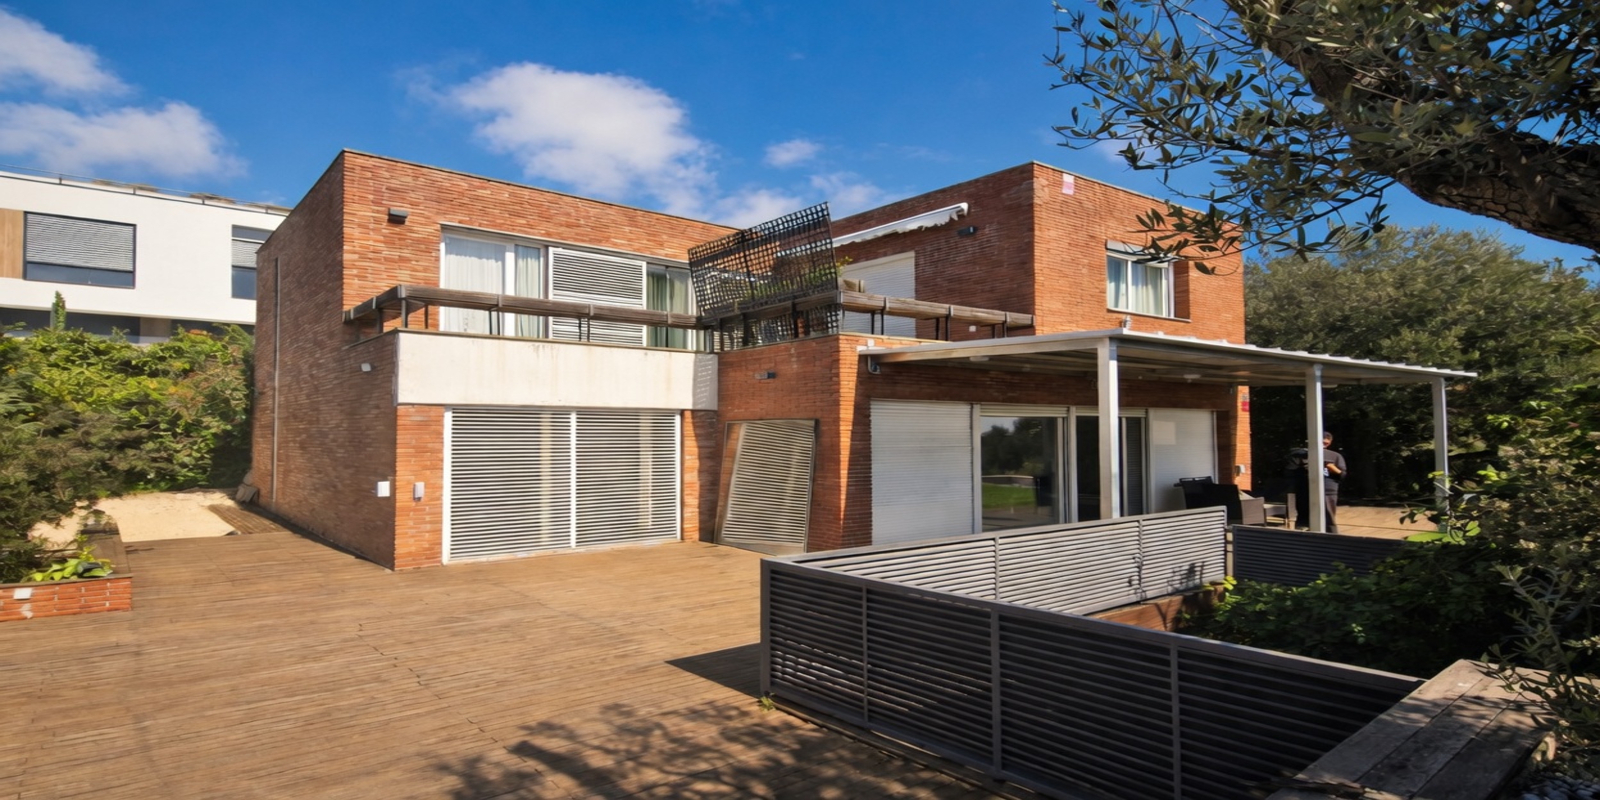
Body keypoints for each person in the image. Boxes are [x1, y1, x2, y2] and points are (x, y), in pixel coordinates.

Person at [1286, 432, 1347, 532]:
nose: (1323, 445)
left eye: (1326, 443)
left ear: (1330, 443)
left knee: (1328, 518)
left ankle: (1331, 538)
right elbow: (1290, 472)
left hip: (1328, 492)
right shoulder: (1299, 455)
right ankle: (1302, 538)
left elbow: (1342, 475)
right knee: (1304, 518)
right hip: (1305, 490)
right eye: (1321, 442)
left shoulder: (1335, 456)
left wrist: (1332, 468)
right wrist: (1306, 467)